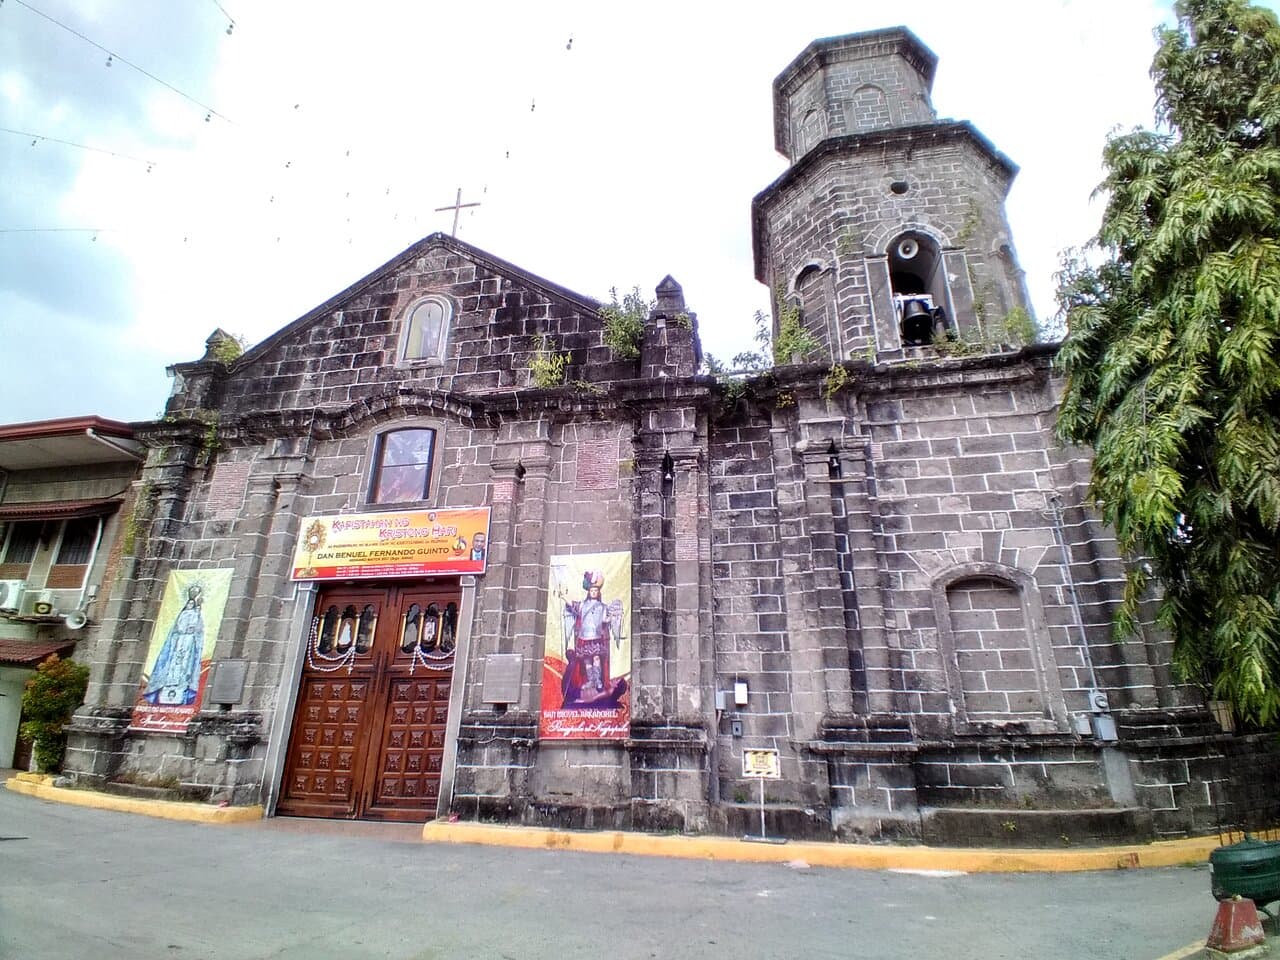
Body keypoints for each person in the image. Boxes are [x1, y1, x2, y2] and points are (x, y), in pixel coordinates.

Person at [560, 571, 626, 708]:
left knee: (596, 658)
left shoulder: (602, 607)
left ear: (598, 592)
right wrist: (563, 597)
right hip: (585, 637)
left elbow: (604, 620)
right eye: (592, 590)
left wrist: (612, 617)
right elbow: (573, 606)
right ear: (588, 592)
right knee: (586, 660)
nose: (594, 592)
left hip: (596, 637)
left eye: (596, 590)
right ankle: (591, 680)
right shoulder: (583, 605)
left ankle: (598, 681)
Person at [142, 585, 206, 706]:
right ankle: (168, 684)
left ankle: (183, 684)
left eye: (192, 604)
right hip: (179, 641)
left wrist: (193, 627)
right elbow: (176, 628)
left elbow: (199, 629)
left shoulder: (197, 615)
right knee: (174, 663)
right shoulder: (181, 615)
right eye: (189, 604)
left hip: (189, 641)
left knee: (186, 663)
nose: (190, 606)